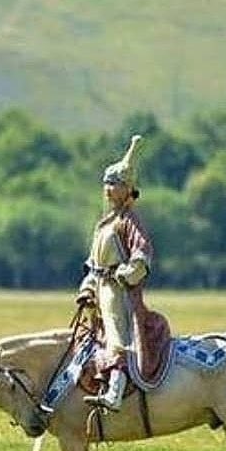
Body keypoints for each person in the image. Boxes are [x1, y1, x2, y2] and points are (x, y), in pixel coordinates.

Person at [75, 135, 172, 411]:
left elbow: (142, 253)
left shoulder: (129, 222)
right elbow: (93, 263)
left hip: (120, 294)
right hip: (100, 290)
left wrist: (126, 273)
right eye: (106, 183)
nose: (108, 189)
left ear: (127, 189)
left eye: (115, 184)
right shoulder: (105, 223)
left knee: (118, 338)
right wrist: (87, 288)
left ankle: (115, 393)